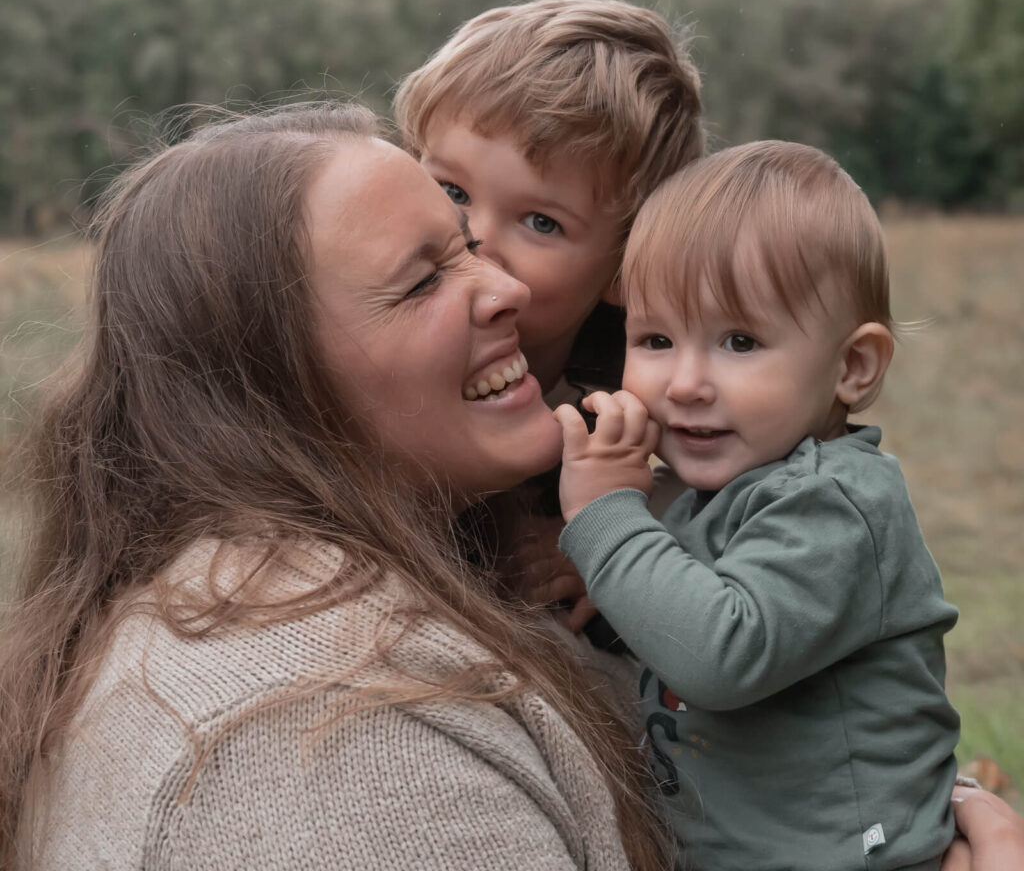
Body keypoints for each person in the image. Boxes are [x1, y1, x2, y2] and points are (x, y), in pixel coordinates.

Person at [0, 103, 669, 870]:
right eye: (423, 282)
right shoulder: (328, 740)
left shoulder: (272, 621)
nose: (506, 288)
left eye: (466, 250)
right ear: (265, 389)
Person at [555, 141, 962, 870]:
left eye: (739, 341)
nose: (684, 383)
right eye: (655, 339)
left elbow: (721, 653)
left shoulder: (835, 503)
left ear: (851, 367)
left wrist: (608, 522)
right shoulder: (716, 494)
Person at [394, 0, 705, 632]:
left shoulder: (647, 411)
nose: (474, 237)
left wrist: (622, 551)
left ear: (624, 269)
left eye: (541, 222)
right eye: (451, 190)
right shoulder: (362, 333)